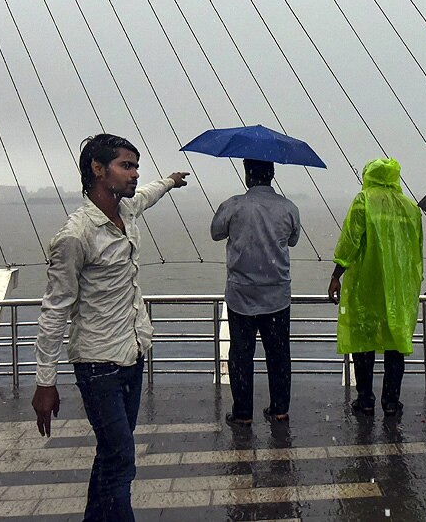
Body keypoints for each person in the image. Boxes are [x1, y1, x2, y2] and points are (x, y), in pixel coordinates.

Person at [32, 134, 189, 521]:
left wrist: (169, 181)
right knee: (121, 459)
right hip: (97, 364)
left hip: (131, 355)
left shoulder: (127, 211)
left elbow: (147, 194)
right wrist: (44, 382)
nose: (135, 174)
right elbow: (55, 310)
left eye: (135, 166)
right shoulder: (75, 236)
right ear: (98, 170)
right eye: (126, 165)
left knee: (111, 455)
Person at [328, 158, 423, 418]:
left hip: (366, 284)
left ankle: (366, 399)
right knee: (395, 343)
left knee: (363, 342)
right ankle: (391, 401)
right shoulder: (411, 207)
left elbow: (350, 240)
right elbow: (416, 252)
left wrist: (337, 274)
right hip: (398, 287)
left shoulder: (364, 201)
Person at [211, 158, 301, 427]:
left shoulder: (233, 205)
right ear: (272, 174)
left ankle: (243, 414)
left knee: (240, 355)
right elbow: (293, 240)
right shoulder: (288, 207)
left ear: (248, 175)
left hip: (242, 296)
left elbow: (216, 232)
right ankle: (279, 409)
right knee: (278, 354)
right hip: (277, 295)